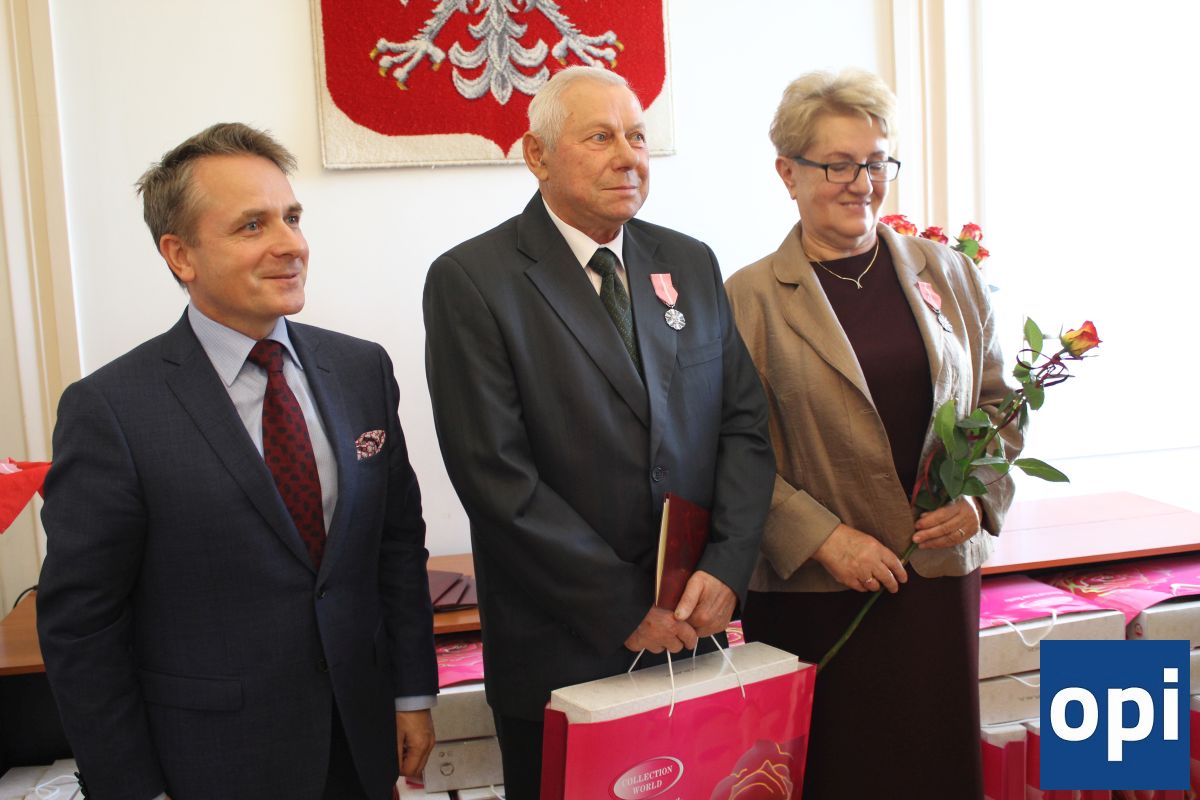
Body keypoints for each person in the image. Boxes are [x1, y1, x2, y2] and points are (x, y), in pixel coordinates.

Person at [36, 123, 438, 800]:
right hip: (211, 762)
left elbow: (396, 546)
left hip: (360, 741)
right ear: (180, 255)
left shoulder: (359, 369)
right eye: (253, 225)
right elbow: (82, 627)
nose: (291, 244)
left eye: (292, 217)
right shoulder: (111, 409)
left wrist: (412, 692)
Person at [423, 66, 774, 798]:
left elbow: (742, 425)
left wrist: (727, 567)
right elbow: (497, 478)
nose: (628, 157)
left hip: (694, 628)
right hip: (563, 646)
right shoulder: (473, 280)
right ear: (537, 155)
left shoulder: (689, 262)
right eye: (600, 137)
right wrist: (625, 607)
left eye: (637, 137)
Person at [724, 69, 1021, 799]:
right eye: (838, 164)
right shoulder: (746, 298)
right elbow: (728, 453)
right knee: (839, 775)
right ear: (787, 173)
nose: (863, 183)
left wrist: (978, 498)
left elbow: (998, 405)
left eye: (877, 162)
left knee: (937, 770)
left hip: (936, 581)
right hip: (817, 593)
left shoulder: (948, 272)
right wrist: (825, 540)